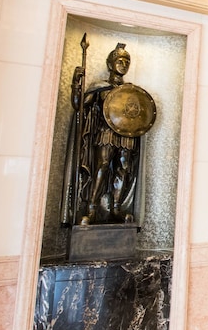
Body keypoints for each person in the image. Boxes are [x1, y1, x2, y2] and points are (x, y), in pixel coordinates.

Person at [62, 40, 156, 227]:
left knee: (123, 168)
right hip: (105, 133)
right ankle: (91, 208)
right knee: (102, 166)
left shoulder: (130, 90)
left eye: (127, 62)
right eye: (120, 61)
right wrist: (76, 82)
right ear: (110, 64)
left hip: (127, 135)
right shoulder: (100, 87)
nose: (123, 65)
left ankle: (116, 208)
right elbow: (79, 105)